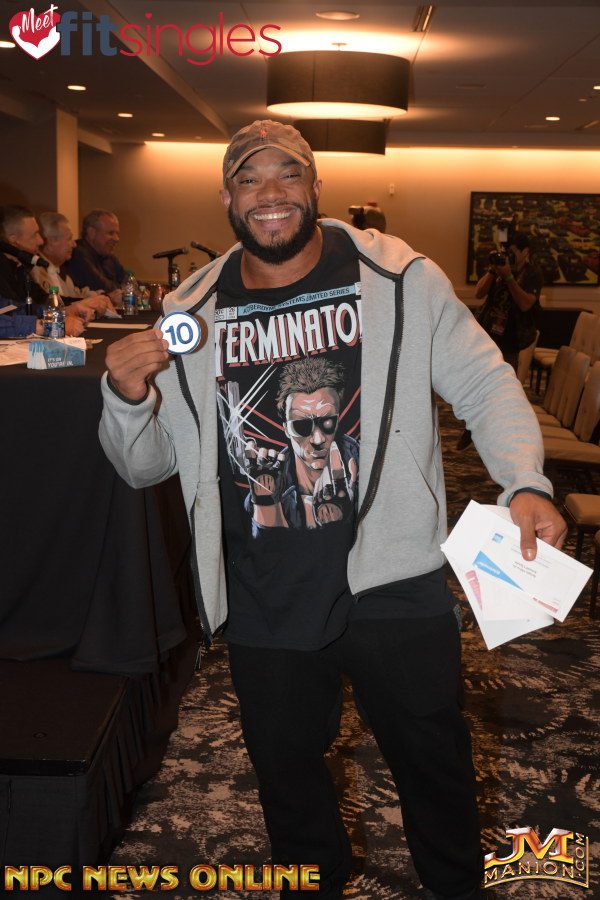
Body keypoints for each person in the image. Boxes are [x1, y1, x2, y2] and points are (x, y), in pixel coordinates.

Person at [99, 120, 566, 900]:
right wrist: (125, 397)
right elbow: (144, 465)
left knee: (435, 765)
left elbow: (485, 383)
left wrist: (524, 480)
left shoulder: (400, 278)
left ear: (315, 186)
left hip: (394, 577)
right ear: (227, 198)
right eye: (250, 178)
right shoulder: (192, 311)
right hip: (263, 590)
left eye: (288, 174)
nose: (270, 193)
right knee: (288, 781)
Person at [457, 232, 542, 449]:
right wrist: (493, 270)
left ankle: (498, 433)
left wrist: (509, 277)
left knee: (504, 387)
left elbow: (525, 304)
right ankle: (473, 426)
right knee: (477, 382)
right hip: (487, 335)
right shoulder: (498, 269)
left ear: (525, 252)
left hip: (511, 339)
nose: (509, 257)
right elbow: (478, 293)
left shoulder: (532, 274)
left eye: (513, 253)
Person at [0, 204, 89, 337]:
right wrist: (48, 326)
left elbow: (13, 308)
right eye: (34, 235)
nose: (41, 241)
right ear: (13, 241)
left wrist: (63, 311)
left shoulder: (18, 268)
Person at [34, 212, 119, 318]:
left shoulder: (60, 271)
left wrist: (104, 297)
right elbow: (48, 306)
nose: (74, 244)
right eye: (69, 238)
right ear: (50, 242)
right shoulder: (35, 272)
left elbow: (76, 295)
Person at [66, 208, 125, 297]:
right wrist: (125, 290)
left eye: (117, 234)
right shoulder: (77, 254)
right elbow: (102, 288)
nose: (117, 239)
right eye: (111, 233)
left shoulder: (109, 256)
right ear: (91, 232)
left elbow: (129, 282)